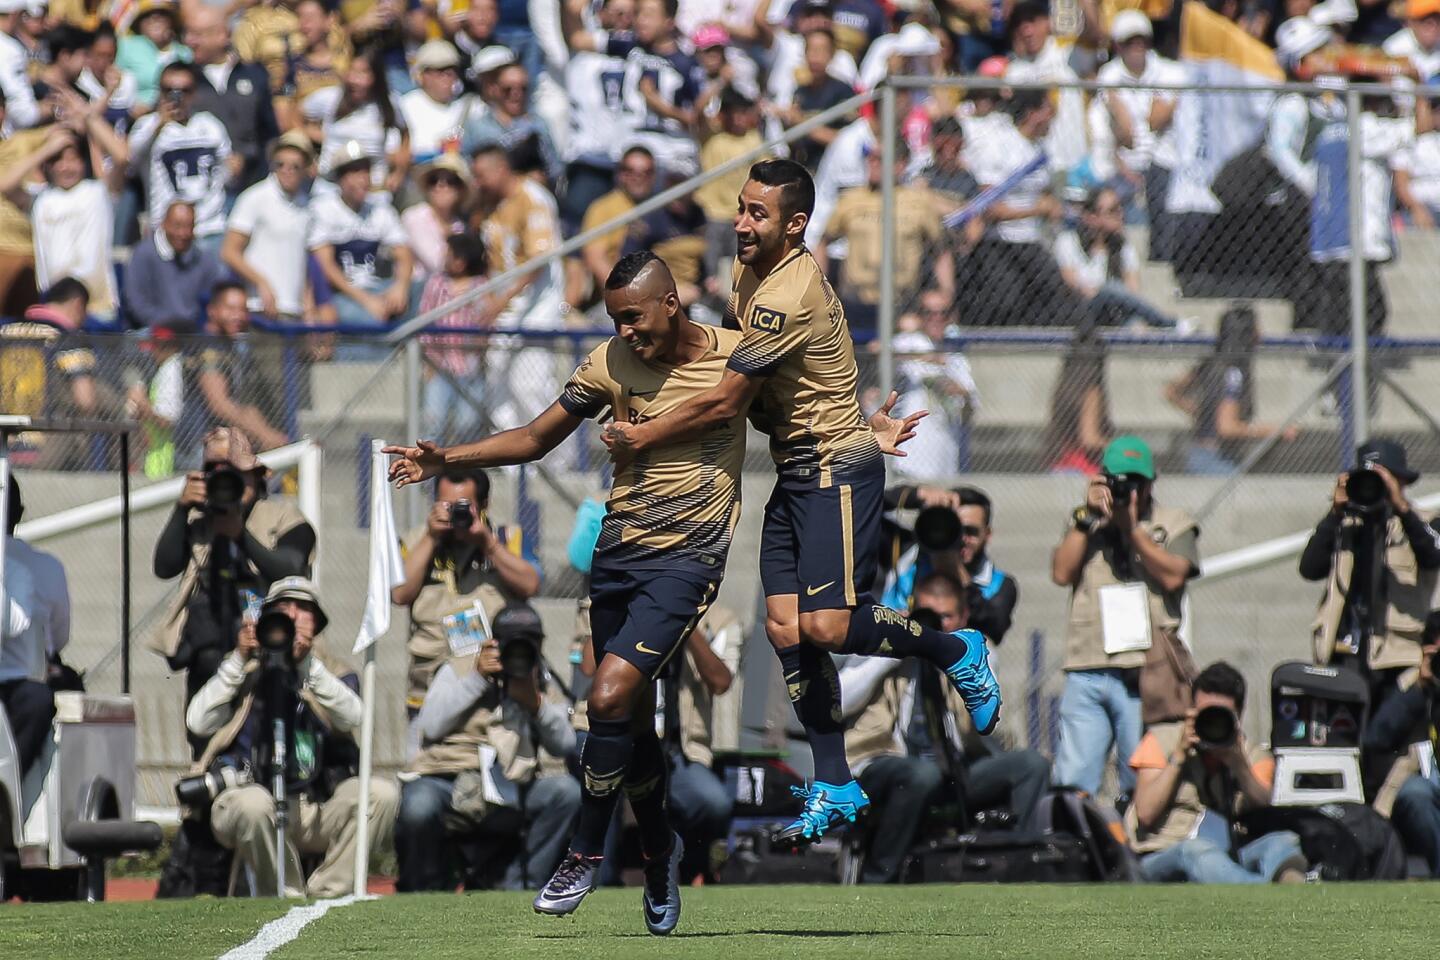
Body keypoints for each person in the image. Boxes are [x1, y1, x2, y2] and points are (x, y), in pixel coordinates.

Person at [599, 159, 1000, 846]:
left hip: (835, 469)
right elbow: (767, 374)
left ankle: (952, 647)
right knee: (785, 629)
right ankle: (836, 779)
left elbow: (730, 396)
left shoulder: (789, 291)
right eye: (740, 207)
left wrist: (643, 434)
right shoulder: (746, 274)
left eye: (757, 213)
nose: (741, 222)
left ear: (796, 223)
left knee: (824, 626)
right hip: (799, 466)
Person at [385, 252, 746, 934]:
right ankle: (659, 846)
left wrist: (865, 435)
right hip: (618, 556)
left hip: (689, 560)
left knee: (604, 698)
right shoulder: (609, 362)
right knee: (630, 722)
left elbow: (795, 420)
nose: (625, 332)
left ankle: (583, 851)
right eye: (614, 320)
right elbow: (534, 437)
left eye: (634, 317)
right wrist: (446, 460)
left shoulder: (737, 357)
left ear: (671, 302)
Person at [185, 576, 399, 898]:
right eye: (284, 607)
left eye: (304, 609)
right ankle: (286, 897)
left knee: (382, 793)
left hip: (315, 805)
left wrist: (306, 667)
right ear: (265, 616)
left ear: (317, 623)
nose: (293, 615)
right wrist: (239, 661)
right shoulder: (242, 668)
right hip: (249, 801)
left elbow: (354, 717)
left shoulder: (332, 671)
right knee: (255, 805)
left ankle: (330, 893)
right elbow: (198, 722)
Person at [149, 427, 315, 757]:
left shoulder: (283, 517)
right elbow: (164, 566)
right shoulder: (201, 521)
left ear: (255, 475)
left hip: (273, 649)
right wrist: (181, 510)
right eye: (216, 473)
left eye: (235, 474)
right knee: (206, 741)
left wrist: (241, 536)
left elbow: (292, 568)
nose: (227, 483)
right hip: (210, 656)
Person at [1050, 435, 1201, 798]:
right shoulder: (1085, 522)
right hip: (1089, 664)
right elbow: (1061, 573)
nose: (1130, 491)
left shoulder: (1173, 523)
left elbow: (1174, 575)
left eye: (1137, 482)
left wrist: (1133, 529)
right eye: (1120, 481)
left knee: (1142, 779)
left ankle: (1137, 847)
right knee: (1074, 779)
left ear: (1152, 482)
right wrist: (1087, 519)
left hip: (1147, 671)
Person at [397, 602, 579, 891]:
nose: (518, 650)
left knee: (565, 793)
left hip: (512, 783)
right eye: (510, 641)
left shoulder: (541, 678)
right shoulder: (459, 667)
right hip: (450, 777)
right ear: (492, 641)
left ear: (540, 644)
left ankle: (524, 886)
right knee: (418, 805)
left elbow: (566, 744)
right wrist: (477, 679)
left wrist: (535, 704)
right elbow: (430, 725)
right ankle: (427, 888)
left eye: (529, 641)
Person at [1127, 662, 1307, 884]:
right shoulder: (1160, 741)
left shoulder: (1251, 755)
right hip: (1165, 854)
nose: (1211, 722)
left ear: (1238, 717)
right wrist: (1179, 756)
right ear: (1191, 710)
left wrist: (1237, 762)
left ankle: (1296, 890)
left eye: (1220, 715)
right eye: (1205, 714)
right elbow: (1145, 813)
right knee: (1195, 851)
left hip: (1226, 855)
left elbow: (1263, 804)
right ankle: (1262, 893)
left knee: (1283, 841)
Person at [1299, 438, 1440, 716]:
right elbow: (1309, 568)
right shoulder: (1345, 524)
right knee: (1347, 747)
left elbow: (1432, 556)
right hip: (1343, 654)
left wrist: (1401, 507)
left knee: (1386, 747)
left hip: (1398, 659)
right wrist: (1335, 513)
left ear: (1402, 482)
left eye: (1384, 480)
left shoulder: (1423, 522)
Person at [390, 466, 541, 709]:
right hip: (428, 692)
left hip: (495, 690)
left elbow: (531, 585)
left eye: (463, 505)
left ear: (484, 504)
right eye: (446, 505)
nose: (455, 514)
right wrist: (431, 537)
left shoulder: (507, 538)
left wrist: (488, 544)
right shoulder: (414, 541)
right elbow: (399, 594)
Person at [469, 141, 564, 429]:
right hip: (503, 307)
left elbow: (537, 261)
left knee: (529, 386)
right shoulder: (489, 205)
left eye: (481, 175)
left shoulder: (533, 199)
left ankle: (553, 465)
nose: (477, 182)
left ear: (501, 169)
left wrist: (499, 302)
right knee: (497, 385)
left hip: (535, 308)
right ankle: (508, 466)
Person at [817, 139, 950, 335]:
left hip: (901, 304)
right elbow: (822, 242)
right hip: (855, 303)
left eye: (880, 159)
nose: (872, 164)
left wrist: (946, 292)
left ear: (900, 164)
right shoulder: (851, 200)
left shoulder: (919, 202)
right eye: (870, 159)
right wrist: (820, 289)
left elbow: (941, 250)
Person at [562, 0, 706, 177]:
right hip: (630, 154)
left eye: (649, 15)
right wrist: (573, 9)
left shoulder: (687, 63)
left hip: (671, 157)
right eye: (638, 14)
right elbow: (578, 40)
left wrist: (657, 102)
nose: (641, 21)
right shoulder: (629, 45)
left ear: (669, 21)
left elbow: (700, 120)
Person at [0, 119, 125, 321]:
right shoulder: (39, 199)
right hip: (55, 308)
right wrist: (46, 149)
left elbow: (121, 157)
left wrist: (89, 116)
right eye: (59, 160)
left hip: (97, 306)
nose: (67, 167)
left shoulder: (98, 193)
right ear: (48, 166)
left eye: (73, 159)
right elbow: (5, 185)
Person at [1165, 304, 1299, 475]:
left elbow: (1171, 391)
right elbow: (1227, 427)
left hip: (1200, 454)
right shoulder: (1233, 372)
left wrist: (1204, 412)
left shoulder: (1211, 362)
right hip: (1215, 460)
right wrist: (1275, 430)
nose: (1260, 335)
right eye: (1256, 329)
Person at [882, 486, 1019, 645]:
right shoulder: (906, 555)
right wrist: (916, 495)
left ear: (987, 535)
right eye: (955, 530)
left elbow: (994, 631)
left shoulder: (999, 584)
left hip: (954, 658)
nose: (961, 539)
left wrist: (956, 571)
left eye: (970, 531)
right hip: (891, 651)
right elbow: (859, 508)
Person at [307, 142, 414, 338]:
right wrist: (366, 300)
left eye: (366, 171)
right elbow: (325, 266)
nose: (363, 179)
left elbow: (404, 253)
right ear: (340, 178)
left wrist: (401, 287)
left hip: (378, 287)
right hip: (342, 295)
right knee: (372, 321)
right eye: (355, 172)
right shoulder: (324, 209)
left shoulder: (381, 210)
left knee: (422, 293)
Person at [0, 475, 69, 778]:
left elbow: (10, 624)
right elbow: (61, 636)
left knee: (37, 699)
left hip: (16, 683)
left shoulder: (18, 572)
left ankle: (9, 786)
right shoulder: (46, 567)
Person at [127, 61, 233, 255]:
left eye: (185, 90)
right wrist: (158, 125)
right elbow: (129, 160)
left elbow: (226, 169)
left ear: (194, 93)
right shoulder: (147, 126)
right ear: (160, 91)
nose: (177, 97)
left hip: (210, 228)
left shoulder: (210, 124)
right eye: (170, 90)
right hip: (167, 232)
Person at [1366, 611, 1440, 875]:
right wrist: (1421, 687)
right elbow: (1375, 737)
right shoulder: (1411, 683)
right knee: (1415, 793)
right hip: (1428, 779)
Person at [1055, 186, 1182, 330]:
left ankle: (1149, 333)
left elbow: (1132, 292)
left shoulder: (1124, 247)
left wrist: (1114, 296)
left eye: (1120, 208)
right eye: (1113, 210)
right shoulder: (1068, 241)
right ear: (1092, 218)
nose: (1120, 214)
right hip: (1082, 310)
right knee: (1110, 288)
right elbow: (1073, 284)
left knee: (1130, 318)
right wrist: (1106, 292)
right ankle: (1169, 324)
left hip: (1114, 311)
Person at [223, 130, 317, 321]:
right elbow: (229, 252)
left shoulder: (306, 206)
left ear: (306, 169)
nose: (286, 170)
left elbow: (302, 262)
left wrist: (309, 307)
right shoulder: (254, 197)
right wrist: (261, 283)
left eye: (295, 166)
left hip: (294, 310)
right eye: (280, 164)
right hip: (260, 309)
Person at [187, 6, 280, 196]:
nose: (190, 41)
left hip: (253, 184)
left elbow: (270, 133)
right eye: (187, 33)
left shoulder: (254, 74)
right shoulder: (184, 79)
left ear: (223, 35)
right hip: (203, 190)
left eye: (198, 34)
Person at [302, 49, 408, 196]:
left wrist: (399, 173)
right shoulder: (331, 98)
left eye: (363, 73)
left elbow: (406, 134)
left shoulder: (388, 103)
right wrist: (312, 148)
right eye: (352, 71)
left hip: (373, 190)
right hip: (330, 188)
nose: (355, 80)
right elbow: (297, 116)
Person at [416, 232, 490, 440]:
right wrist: (428, 361)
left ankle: (462, 470)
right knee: (433, 423)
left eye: (451, 254)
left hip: (470, 368)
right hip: (440, 366)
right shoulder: (436, 283)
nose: (445, 258)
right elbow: (424, 318)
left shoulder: (481, 286)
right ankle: (430, 471)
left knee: (468, 423)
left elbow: (486, 321)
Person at [695, 86, 762, 304]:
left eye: (744, 113)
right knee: (710, 268)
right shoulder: (712, 137)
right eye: (736, 112)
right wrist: (722, 82)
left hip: (740, 215)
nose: (741, 118)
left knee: (738, 269)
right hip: (712, 212)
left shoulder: (755, 140)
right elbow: (696, 114)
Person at [123, 200, 227, 329]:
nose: (183, 233)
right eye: (177, 226)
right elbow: (137, 304)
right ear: (164, 224)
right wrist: (168, 326)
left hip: (193, 332)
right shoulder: (142, 254)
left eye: (189, 226)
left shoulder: (204, 259)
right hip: (152, 330)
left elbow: (211, 300)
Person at [462, 59, 561, 182]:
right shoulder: (477, 126)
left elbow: (555, 170)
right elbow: (464, 167)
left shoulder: (538, 125)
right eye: (508, 89)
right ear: (495, 89)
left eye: (523, 88)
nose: (516, 94)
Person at [776, 28, 856, 172]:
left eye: (821, 51)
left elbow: (846, 140)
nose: (815, 58)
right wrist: (786, 122)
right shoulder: (800, 91)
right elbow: (795, 145)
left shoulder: (843, 91)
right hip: (806, 168)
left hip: (833, 169)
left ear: (832, 55)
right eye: (811, 51)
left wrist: (801, 122)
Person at [579, 144, 655, 294]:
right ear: (620, 173)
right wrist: (623, 293)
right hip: (617, 293)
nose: (637, 178)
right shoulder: (602, 208)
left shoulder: (662, 206)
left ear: (654, 176)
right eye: (630, 171)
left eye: (645, 172)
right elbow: (595, 259)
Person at [127, 320, 192, 479]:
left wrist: (142, 403)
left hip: (162, 462)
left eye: (156, 347)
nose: (152, 353)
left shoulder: (171, 371)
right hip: (154, 457)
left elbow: (167, 419)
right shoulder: (163, 369)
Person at [400, 40, 479, 166]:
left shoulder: (471, 105)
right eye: (440, 71)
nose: (448, 76)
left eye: (452, 70)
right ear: (421, 75)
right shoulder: (405, 106)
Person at [403, 153, 470, 279]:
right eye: (434, 180)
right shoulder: (414, 217)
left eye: (450, 181)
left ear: (460, 190)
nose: (440, 185)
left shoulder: (461, 225)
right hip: (420, 291)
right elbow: (437, 264)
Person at [115, 0, 185, 110]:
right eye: (148, 15)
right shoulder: (126, 46)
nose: (155, 18)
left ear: (172, 21)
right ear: (139, 23)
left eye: (162, 14)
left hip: (179, 114)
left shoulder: (185, 53)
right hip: (134, 115)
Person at [1384, 0, 1440, 82]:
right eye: (1423, 19)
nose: (1432, 24)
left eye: (1437, 18)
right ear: (1410, 22)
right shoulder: (1392, 49)